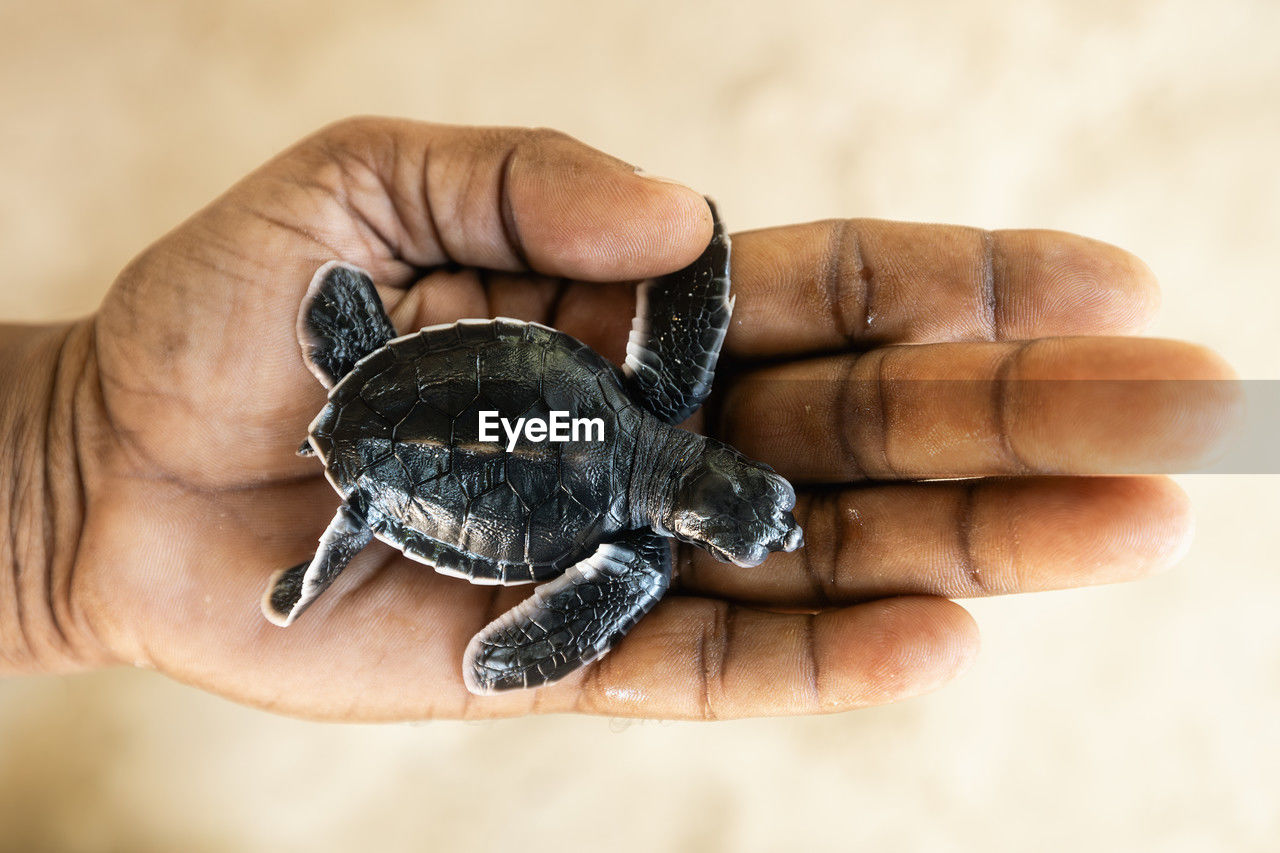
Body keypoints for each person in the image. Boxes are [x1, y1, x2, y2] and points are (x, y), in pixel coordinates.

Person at [0, 118, 1237, 721]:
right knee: (385, 482)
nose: (765, 524)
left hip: (424, 421)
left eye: (753, 520)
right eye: (757, 513)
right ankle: (342, 517)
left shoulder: (647, 396)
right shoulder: (630, 559)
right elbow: (506, 649)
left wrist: (60, 465)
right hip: (399, 466)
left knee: (423, 442)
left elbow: (686, 268)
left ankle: (349, 488)